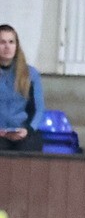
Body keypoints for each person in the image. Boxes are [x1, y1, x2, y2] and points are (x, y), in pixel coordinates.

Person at [0, 24, 45, 153]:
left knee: (30, 147)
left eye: (11, 42)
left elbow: (39, 109)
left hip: (23, 132)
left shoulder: (31, 74)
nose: (7, 46)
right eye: (2, 42)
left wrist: (28, 130)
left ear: (17, 46)